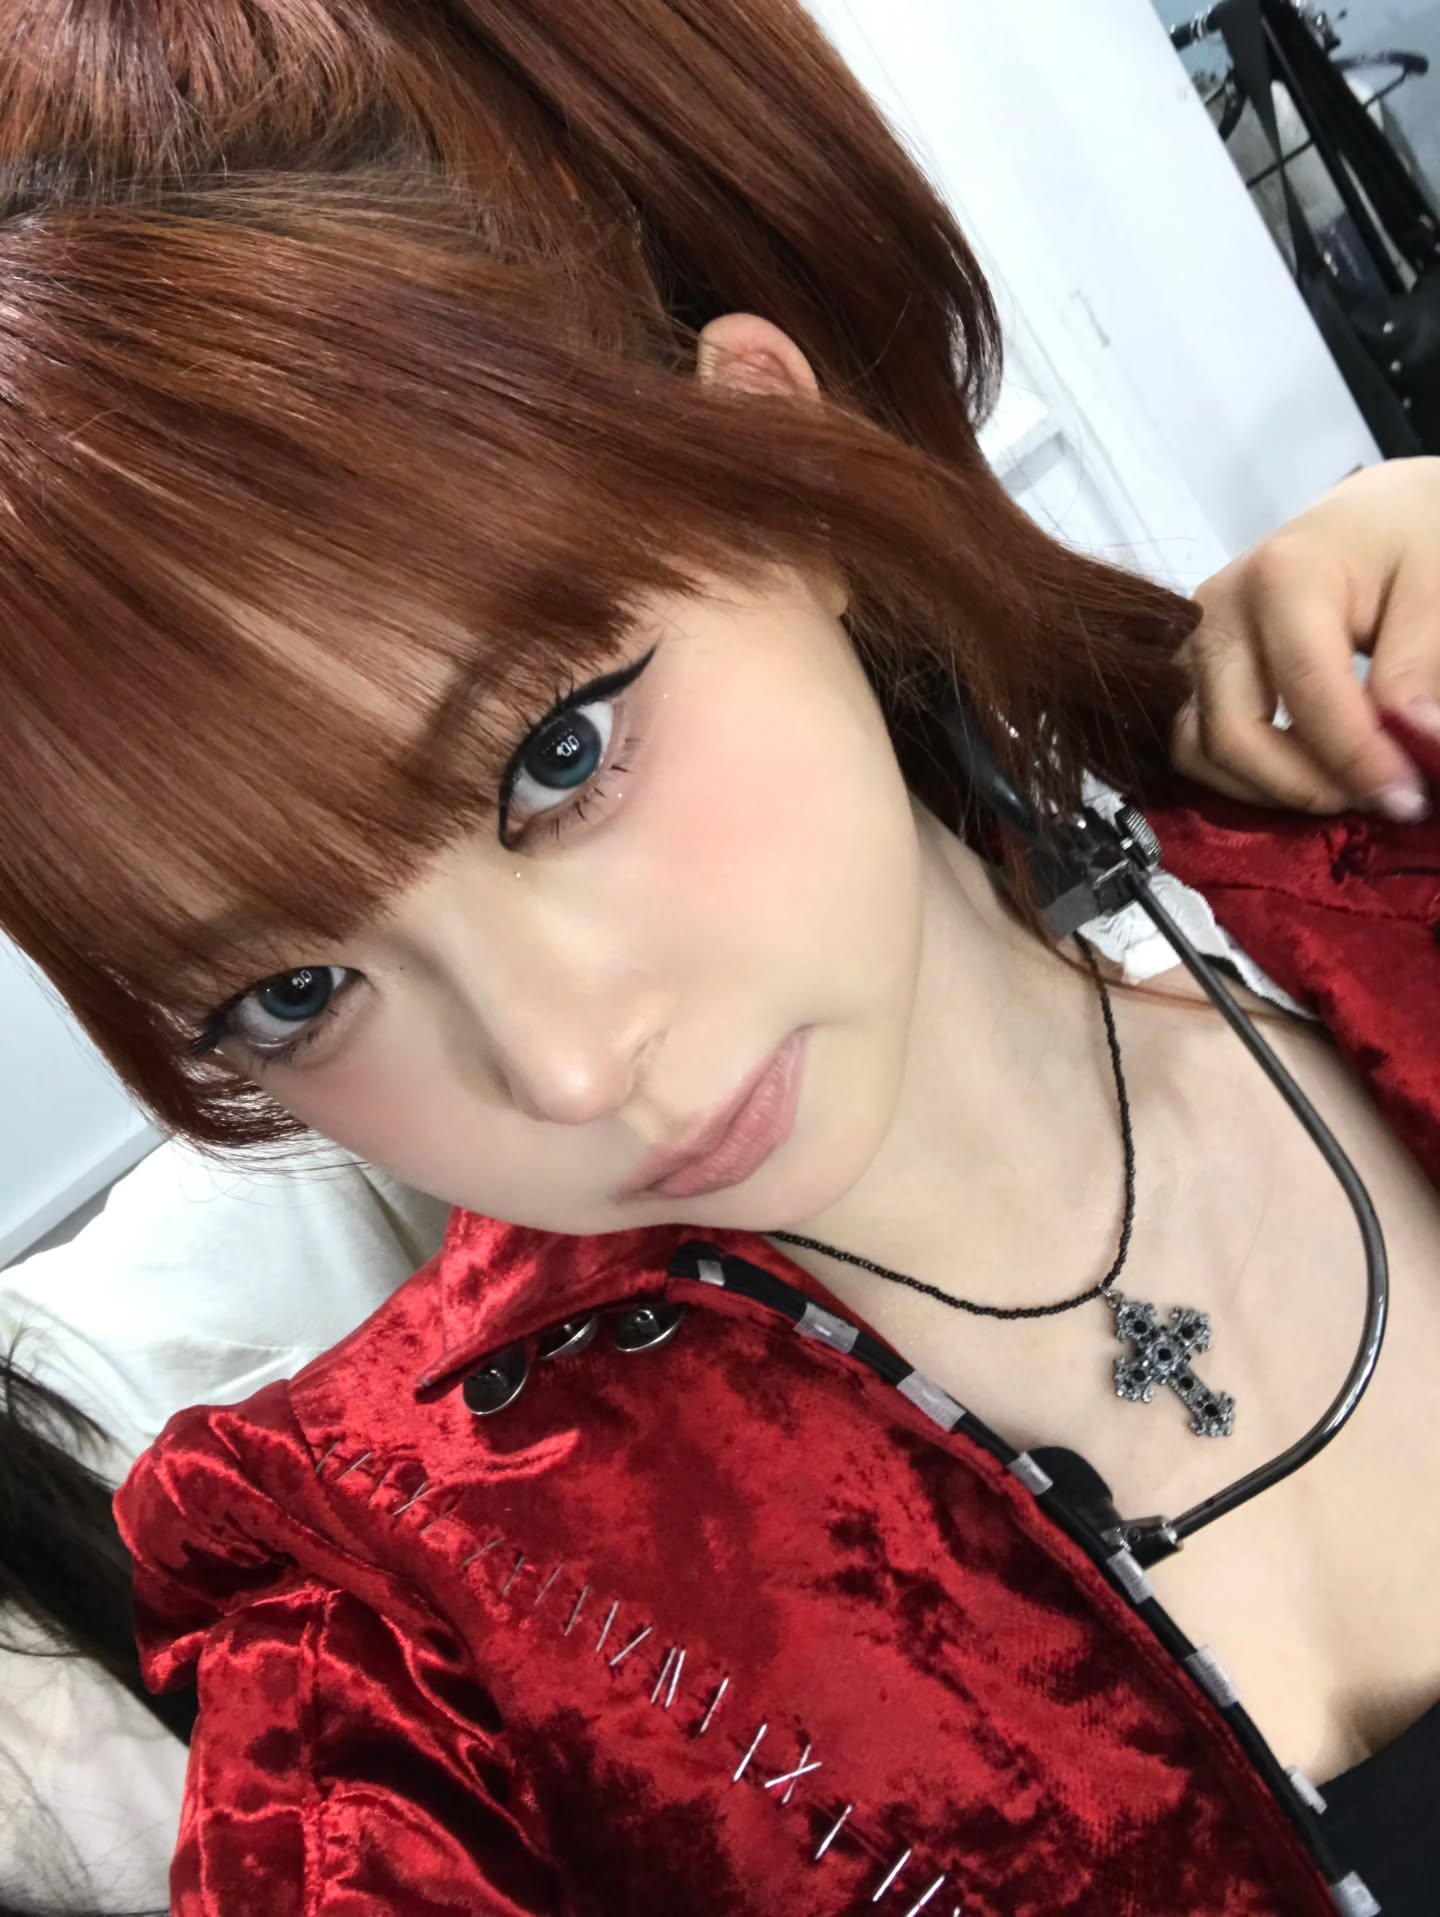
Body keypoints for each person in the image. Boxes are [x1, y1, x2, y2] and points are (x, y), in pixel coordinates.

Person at [0, 3, 1438, 1913]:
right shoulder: (415, 1642)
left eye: (557, 753)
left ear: (779, 454)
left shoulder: (1388, 863)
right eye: (294, 991)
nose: (570, 1067)